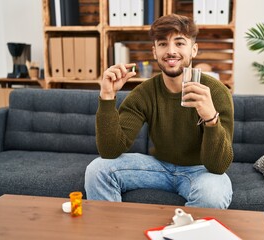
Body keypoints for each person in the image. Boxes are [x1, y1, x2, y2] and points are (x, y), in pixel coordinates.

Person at [84, 14, 234, 209]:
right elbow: (110, 151)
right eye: (163, 44)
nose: (171, 51)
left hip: (201, 170)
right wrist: (107, 96)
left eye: (180, 43)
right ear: (154, 51)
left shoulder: (216, 92)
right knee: (97, 169)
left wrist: (210, 119)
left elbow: (218, 166)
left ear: (193, 50)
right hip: (158, 167)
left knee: (213, 194)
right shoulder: (145, 93)